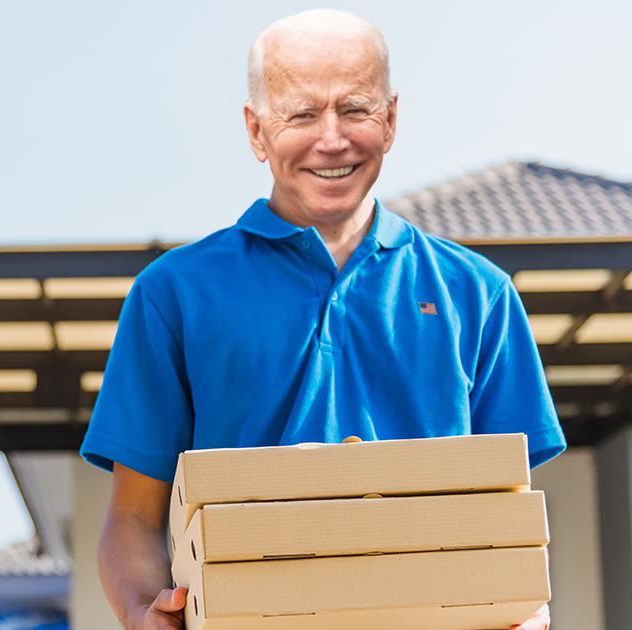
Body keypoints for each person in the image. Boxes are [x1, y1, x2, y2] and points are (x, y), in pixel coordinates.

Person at [79, 9, 564, 630]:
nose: (331, 139)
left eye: (355, 109)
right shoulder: (173, 294)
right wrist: (142, 612)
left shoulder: (479, 295)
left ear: (390, 120)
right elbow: (133, 521)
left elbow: (510, 519)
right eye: (301, 114)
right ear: (256, 131)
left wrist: (528, 609)